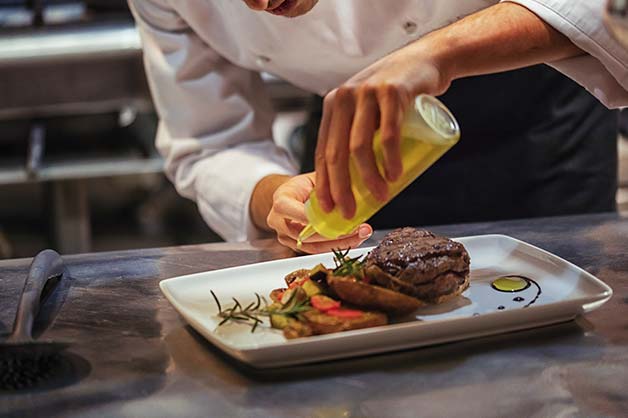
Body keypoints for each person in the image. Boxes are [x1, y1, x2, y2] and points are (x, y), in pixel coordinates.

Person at [129, 0, 628, 254]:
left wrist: (439, 54)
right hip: (353, 151)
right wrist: (273, 195)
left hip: (536, 136)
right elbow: (211, 140)